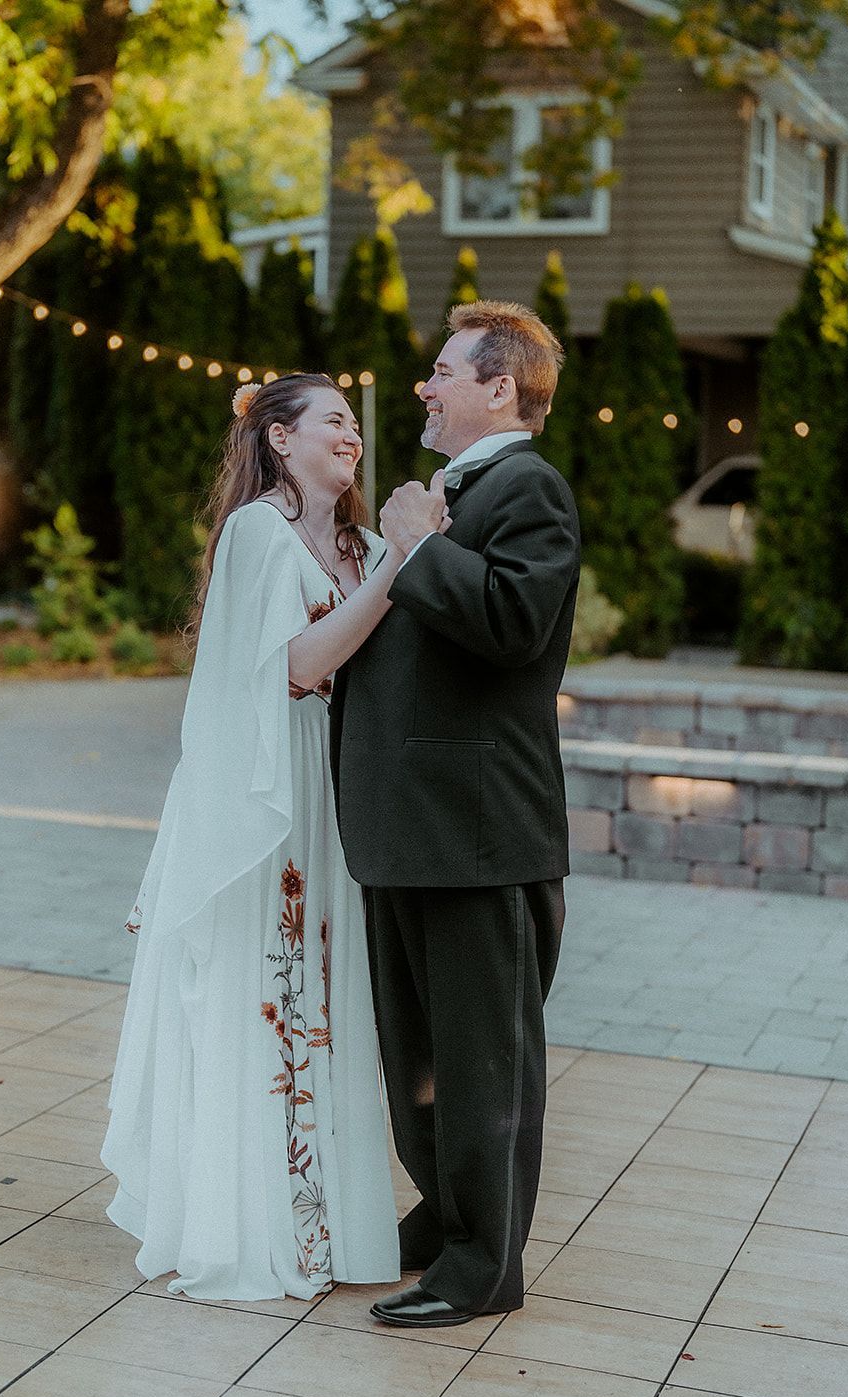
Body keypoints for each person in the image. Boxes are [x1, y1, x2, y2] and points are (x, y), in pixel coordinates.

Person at [101, 374, 413, 1301]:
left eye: (355, 422)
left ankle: (325, 1219)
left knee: (324, 987)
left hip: (337, 784)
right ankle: (251, 1220)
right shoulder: (257, 535)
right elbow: (297, 667)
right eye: (332, 421)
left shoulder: (353, 542)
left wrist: (388, 556)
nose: (351, 435)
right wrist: (402, 563)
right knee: (271, 982)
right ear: (279, 439)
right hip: (270, 788)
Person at [330, 300, 582, 1329]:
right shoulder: (449, 488)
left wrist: (415, 547)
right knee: (420, 1055)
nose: (423, 386)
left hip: (478, 835)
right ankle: (443, 1217)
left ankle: (484, 1264)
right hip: (408, 828)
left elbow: (514, 626)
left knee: (481, 1064)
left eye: (442, 372)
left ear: (498, 389)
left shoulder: (531, 489)